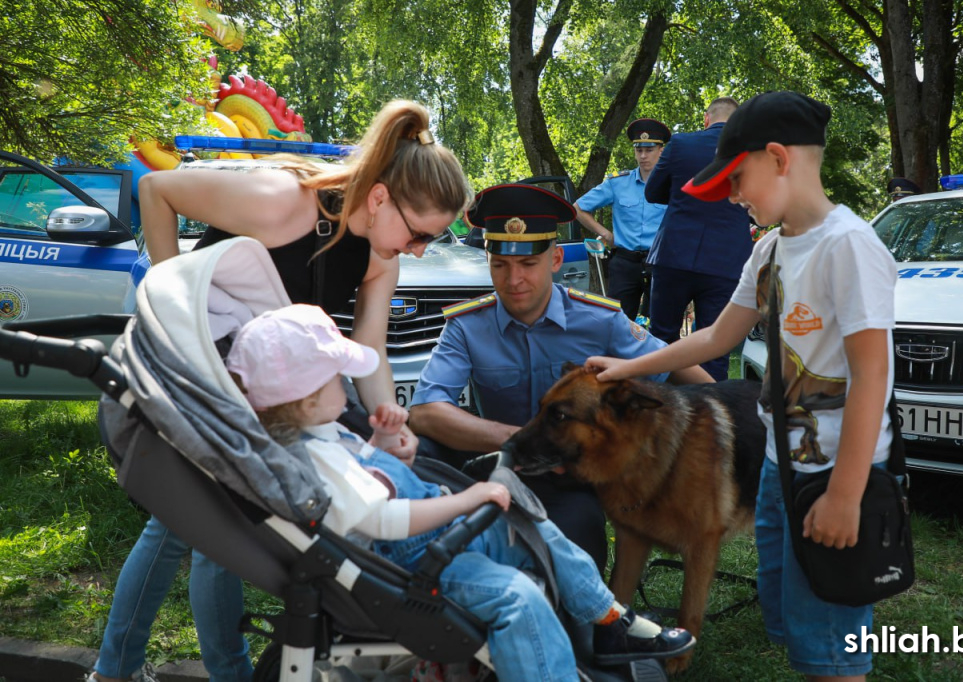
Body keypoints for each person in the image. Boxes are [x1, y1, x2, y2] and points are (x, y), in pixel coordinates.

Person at [89, 101, 472, 682]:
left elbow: (370, 356)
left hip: (265, 394)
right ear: (379, 199)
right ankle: (143, 671)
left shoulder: (380, 257)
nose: (420, 249)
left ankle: (142, 670)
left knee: (221, 525)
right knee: (192, 525)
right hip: (203, 372)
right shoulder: (282, 202)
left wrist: (389, 423)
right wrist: (176, 320)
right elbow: (159, 190)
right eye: (420, 234)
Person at [587, 91, 898, 681]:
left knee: (832, 645)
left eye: (737, 179)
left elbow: (871, 378)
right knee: (791, 616)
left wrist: (845, 496)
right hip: (783, 468)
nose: (733, 197)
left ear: (779, 158)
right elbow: (714, 339)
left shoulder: (849, 247)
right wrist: (624, 367)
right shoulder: (770, 249)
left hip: (835, 473)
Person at [224, 303, 698, 681]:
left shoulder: (323, 436)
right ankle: (590, 639)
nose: (346, 386)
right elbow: (380, 520)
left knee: (538, 530)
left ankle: (609, 621)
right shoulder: (316, 457)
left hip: (433, 545)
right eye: (336, 379)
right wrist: (470, 498)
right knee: (518, 596)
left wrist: (386, 448)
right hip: (412, 560)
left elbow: (365, 485)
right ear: (306, 398)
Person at [407, 183, 713, 574]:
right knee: (417, 454)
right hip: (502, 464)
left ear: (555, 259)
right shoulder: (468, 326)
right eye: (499, 264)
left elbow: (676, 367)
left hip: (574, 477)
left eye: (528, 264)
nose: (513, 279)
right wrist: (520, 440)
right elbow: (426, 412)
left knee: (578, 542)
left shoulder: (598, 320)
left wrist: (727, 412)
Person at [644, 96, 751, 381]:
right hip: (726, 259)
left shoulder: (680, 144)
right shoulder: (752, 153)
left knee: (661, 338)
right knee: (715, 343)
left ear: (706, 119)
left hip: (675, 254)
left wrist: (683, 195)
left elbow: (652, 192)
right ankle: (712, 415)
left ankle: (660, 409)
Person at [574, 118, 670, 320]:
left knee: (661, 326)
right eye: (638, 150)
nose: (643, 156)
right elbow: (578, 208)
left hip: (661, 263)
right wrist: (606, 234)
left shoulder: (673, 183)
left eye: (649, 150)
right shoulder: (618, 183)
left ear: (661, 150)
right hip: (625, 264)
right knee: (617, 324)